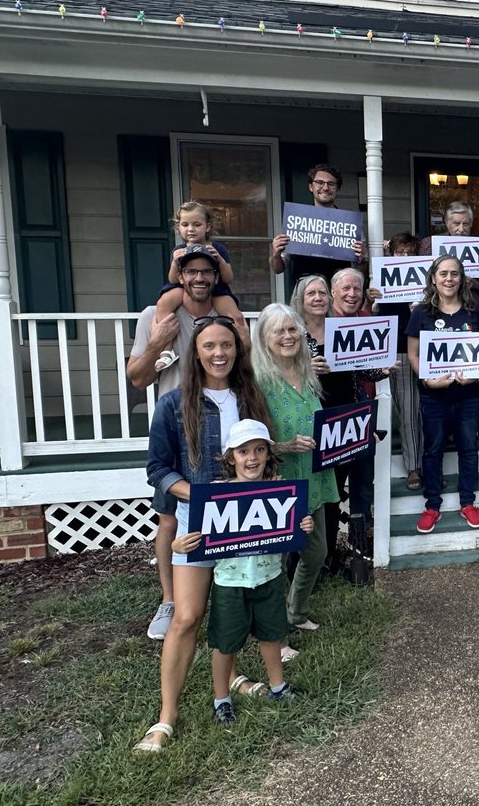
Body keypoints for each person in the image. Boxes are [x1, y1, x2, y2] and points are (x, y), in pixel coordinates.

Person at [134, 316, 273, 753]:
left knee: (236, 604)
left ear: (237, 350)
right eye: (209, 345)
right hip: (198, 523)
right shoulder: (174, 403)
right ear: (196, 352)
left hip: (245, 521)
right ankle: (166, 718)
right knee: (187, 616)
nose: (219, 353)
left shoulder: (251, 398)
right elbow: (157, 468)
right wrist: (194, 495)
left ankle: (230, 679)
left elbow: (264, 456)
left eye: (227, 346)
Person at [127, 245, 248, 642]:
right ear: (179, 276)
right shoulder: (156, 315)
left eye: (206, 272)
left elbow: (243, 363)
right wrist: (157, 341)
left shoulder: (223, 317)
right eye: (191, 271)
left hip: (223, 417)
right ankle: (170, 599)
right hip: (177, 423)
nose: (199, 278)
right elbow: (136, 377)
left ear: (215, 277)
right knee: (170, 519)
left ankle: (228, 600)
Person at [173, 420, 311, 724]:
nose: (252, 458)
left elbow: (295, 526)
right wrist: (179, 545)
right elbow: (190, 535)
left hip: (270, 577)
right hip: (230, 581)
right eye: (244, 451)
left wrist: (304, 524)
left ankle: (278, 686)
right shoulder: (216, 494)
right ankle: (221, 698)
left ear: (268, 455)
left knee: (272, 635)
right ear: (230, 457)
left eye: (260, 450)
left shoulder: (279, 490)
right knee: (225, 643)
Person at [251, 304, 338, 653]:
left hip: (313, 477)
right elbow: (250, 440)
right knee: (278, 562)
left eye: (293, 330)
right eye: (279, 331)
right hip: (280, 479)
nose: (288, 337)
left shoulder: (308, 372)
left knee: (317, 551)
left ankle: (296, 611)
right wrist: (282, 446)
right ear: (264, 338)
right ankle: (276, 637)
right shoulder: (257, 381)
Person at [407, 255, 479, 533]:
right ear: (433, 278)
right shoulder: (421, 312)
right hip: (434, 396)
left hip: (468, 394)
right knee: (433, 450)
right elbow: (413, 354)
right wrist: (429, 381)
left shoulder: (475, 310)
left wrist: (477, 373)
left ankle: (467, 502)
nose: (449, 279)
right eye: (443, 274)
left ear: (462, 278)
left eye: (454, 274)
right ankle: (432, 505)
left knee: (468, 448)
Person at [319, 268, 387, 574]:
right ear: (333, 292)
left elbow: (368, 368)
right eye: (345, 288)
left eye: (356, 289)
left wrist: (383, 370)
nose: (351, 293)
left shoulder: (366, 320)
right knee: (331, 486)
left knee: (363, 479)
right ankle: (326, 552)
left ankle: (360, 545)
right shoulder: (322, 324)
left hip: (362, 408)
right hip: (331, 414)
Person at [153, 203, 246, 368]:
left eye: (197, 224)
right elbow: (173, 279)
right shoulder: (179, 249)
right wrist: (175, 262)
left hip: (217, 289)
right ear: (178, 227)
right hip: (184, 288)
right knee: (163, 303)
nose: (190, 229)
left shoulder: (217, 248)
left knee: (236, 317)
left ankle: (241, 350)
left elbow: (228, 277)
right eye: (185, 224)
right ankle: (167, 351)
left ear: (207, 227)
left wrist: (220, 260)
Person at [374, 232, 424, 491]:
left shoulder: (423, 283)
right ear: (390, 254)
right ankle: (403, 465)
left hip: (414, 349)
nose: (404, 257)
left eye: (409, 253)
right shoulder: (381, 280)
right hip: (387, 350)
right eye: (399, 252)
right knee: (395, 409)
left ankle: (415, 463)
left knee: (411, 409)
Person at [269, 163, 368, 290]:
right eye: (320, 182)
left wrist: (362, 260)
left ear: (338, 190)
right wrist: (275, 254)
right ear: (311, 186)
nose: (325, 188)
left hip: (337, 295)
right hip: (305, 294)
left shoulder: (350, 225)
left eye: (331, 184)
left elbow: (361, 273)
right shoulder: (297, 220)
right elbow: (278, 269)